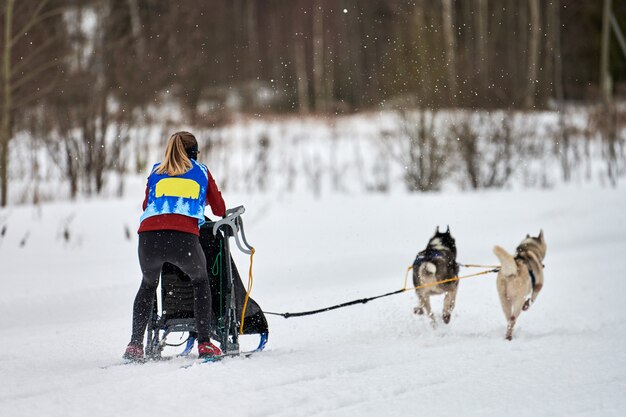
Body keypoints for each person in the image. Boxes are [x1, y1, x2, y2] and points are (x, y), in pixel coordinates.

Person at [123, 131, 226, 361]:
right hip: (183, 239)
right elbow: (219, 209)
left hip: (148, 238)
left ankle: (135, 344)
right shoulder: (201, 171)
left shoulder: (156, 170)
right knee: (200, 281)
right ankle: (205, 343)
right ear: (194, 153)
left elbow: (146, 204)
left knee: (148, 284)